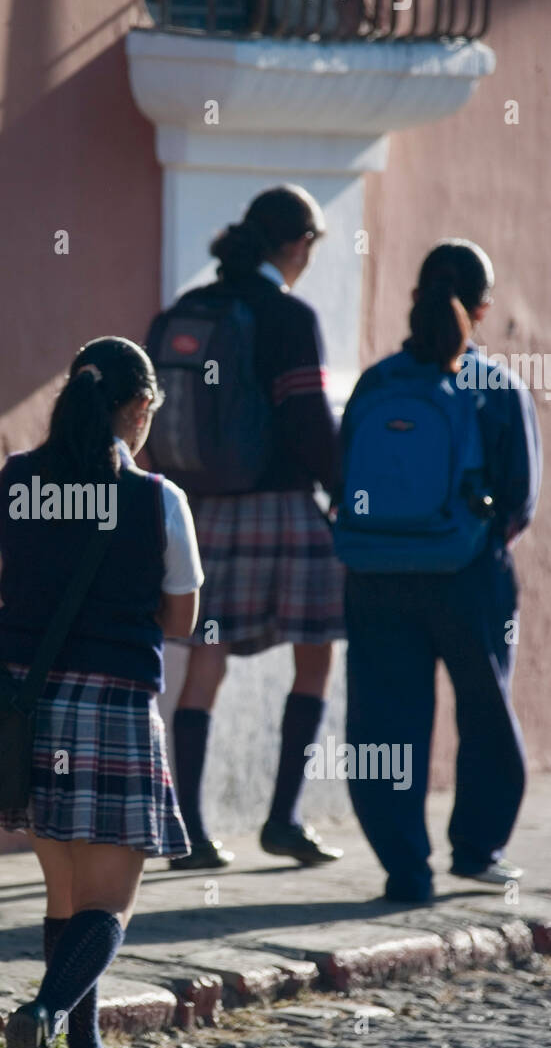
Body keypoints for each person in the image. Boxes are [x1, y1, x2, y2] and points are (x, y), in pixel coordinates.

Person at [0, 337, 203, 1048]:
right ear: (140, 409)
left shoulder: (14, 480)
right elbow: (181, 617)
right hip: (111, 704)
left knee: (65, 894)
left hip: (26, 703)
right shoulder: (156, 499)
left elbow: (18, 573)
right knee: (107, 905)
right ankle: (39, 1017)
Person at [338, 240, 541, 903]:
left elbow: (345, 478)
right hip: (467, 575)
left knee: (383, 723)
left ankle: (404, 867)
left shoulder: (376, 382)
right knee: (483, 711)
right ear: (482, 308)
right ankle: (476, 849)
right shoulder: (496, 389)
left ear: (413, 296)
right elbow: (519, 500)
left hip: (374, 577)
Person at [163, 185, 345, 871]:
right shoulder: (288, 316)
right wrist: (342, 491)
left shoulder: (191, 309)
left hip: (205, 508)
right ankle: (282, 819)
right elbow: (306, 422)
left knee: (204, 658)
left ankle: (189, 831)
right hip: (282, 509)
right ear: (297, 245)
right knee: (316, 649)